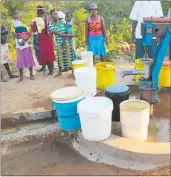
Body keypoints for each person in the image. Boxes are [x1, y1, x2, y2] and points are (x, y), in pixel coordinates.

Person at [49, 9, 74, 77]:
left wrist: (70, 33)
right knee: (60, 58)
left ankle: (73, 73)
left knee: (70, 57)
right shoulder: (51, 25)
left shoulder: (62, 20)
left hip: (67, 41)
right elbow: (59, 34)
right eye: (54, 14)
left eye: (56, 13)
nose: (56, 15)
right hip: (60, 43)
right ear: (51, 16)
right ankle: (60, 72)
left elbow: (67, 29)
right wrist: (69, 35)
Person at [31, 7, 56, 76]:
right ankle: (51, 71)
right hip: (48, 38)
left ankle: (50, 72)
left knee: (45, 55)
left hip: (42, 39)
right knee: (49, 55)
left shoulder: (36, 20)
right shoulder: (47, 19)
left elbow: (33, 30)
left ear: (38, 13)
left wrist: (33, 23)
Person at [12, 13, 35, 83]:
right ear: (13, 19)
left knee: (29, 59)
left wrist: (27, 37)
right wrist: (23, 37)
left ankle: (31, 75)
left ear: (20, 18)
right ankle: (21, 77)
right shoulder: (12, 26)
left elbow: (29, 34)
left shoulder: (24, 25)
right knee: (20, 61)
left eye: (17, 17)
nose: (16, 19)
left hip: (27, 45)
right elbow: (15, 35)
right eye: (15, 18)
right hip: (19, 46)